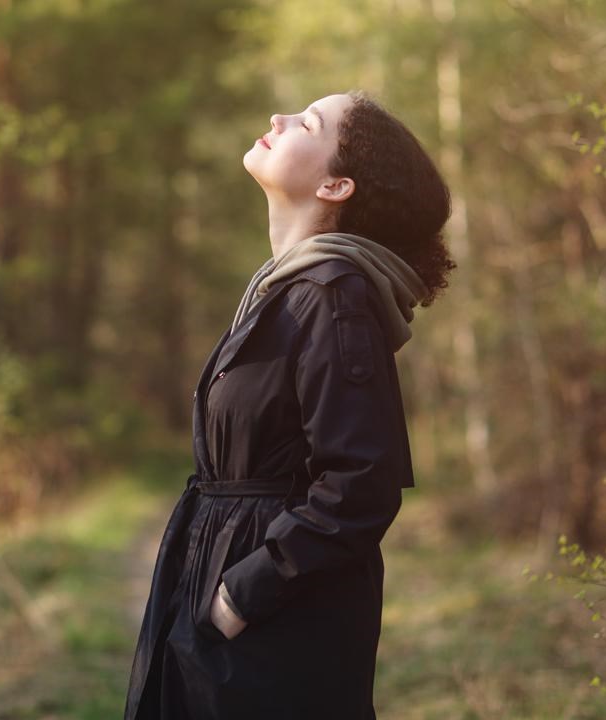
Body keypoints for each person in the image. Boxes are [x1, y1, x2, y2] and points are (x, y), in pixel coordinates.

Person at [123, 90, 455, 719]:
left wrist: (243, 594)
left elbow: (362, 484)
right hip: (227, 585)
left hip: (277, 620)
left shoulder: (335, 297)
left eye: (308, 123)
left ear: (336, 185)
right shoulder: (284, 291)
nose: (277, 119)